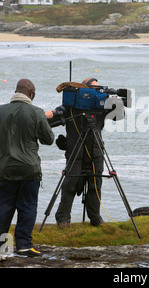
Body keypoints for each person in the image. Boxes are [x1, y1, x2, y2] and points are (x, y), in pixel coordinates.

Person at [0, 79, 54, 256]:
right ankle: (24, 244)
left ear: (16, 91)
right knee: (27, 206)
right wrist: (44, 120)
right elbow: (49, 139)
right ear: (31, 94)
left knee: (1, 208)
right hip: (29, 169)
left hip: (6, 168)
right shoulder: (36, 112)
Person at [47, 78, 107, 228]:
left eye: (98, 89)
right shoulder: (70, 106)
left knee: (95, 185)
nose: (96, 92)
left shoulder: (101, 106)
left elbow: (120, 114)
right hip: (75, 150)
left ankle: (95, 217)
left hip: (96, 150)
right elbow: (51, 120)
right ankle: (63, 218)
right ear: (82, 90)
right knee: (70, 184)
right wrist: (50, 114)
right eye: (92, 89)